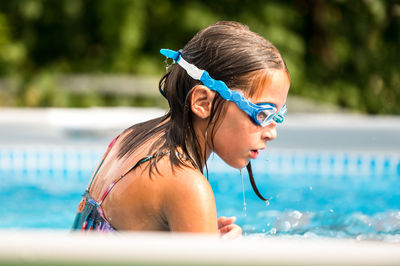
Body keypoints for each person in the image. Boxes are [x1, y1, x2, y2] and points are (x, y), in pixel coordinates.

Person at [72, 21, 290, 238]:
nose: (272, 132)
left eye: (278, 116)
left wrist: (194, 226)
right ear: (203, 102)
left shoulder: (129, 138)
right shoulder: (188, 186)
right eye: (262, 114)